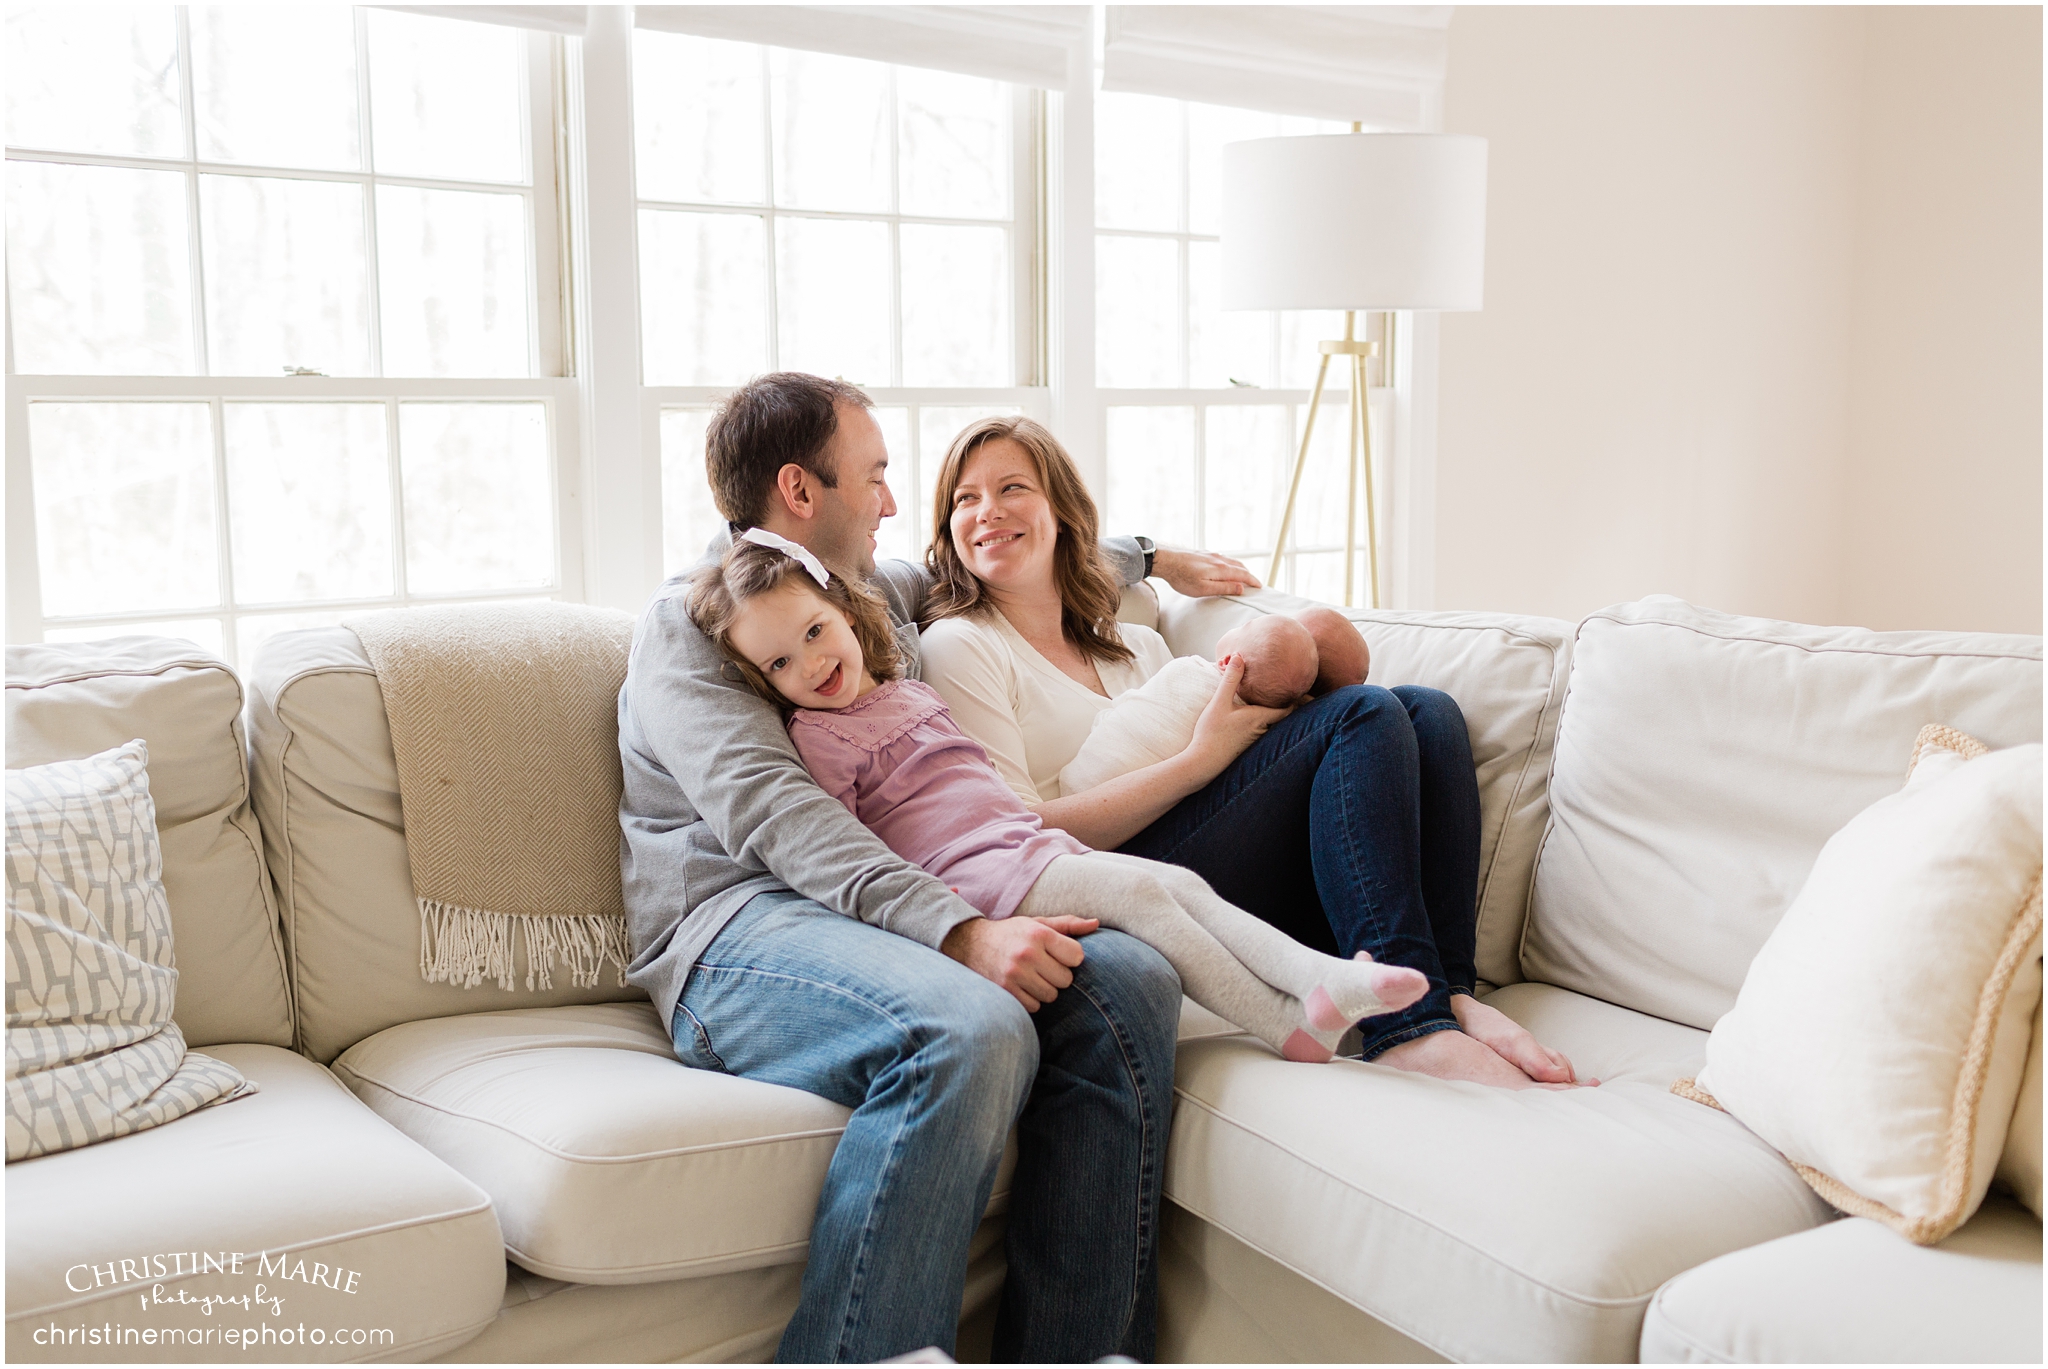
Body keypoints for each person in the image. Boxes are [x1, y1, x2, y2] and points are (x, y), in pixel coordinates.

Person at [616, 372, 1256, 1364]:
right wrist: (959, 929)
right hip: (733, 932)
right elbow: (779, 819)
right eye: (871, 476)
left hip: (861, 916)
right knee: (968, 1027)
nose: (886, 501)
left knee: (1131, 978)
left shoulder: (864, 595)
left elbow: (992, 558)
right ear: (799, 490)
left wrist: (1150, 555)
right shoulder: (689, 627)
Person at [916, 415, 1587, 1089]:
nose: (987, 512)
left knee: (1428, 712)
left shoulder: (1134, 644)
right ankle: (1407, 1029)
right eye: (964, 499)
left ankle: (1449, 990)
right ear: (947, 529)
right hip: (1113, 884)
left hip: (1207, 856)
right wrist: (1198, 762)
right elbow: (1014, 833)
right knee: (1363, 712)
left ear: (1061, 509)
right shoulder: (961, 644)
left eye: (1011, 488)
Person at [684, 532, 1430, 1062]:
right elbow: (845, 856)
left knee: (1177, 884)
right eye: (780, 661)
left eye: (816, 631)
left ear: (847, 611)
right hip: (977, 878)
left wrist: (1155, 555)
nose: (811, 663)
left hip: (1022, 843)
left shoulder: (908, 691)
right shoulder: (818, 737)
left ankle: (1314, 992)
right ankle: (1294, 1014)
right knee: (1143, 893)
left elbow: (1031, 561)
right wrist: (948, 925)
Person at [1055, 610, 1368, 797]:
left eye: (1248, 626)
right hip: (1100, 814)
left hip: (1083, 782)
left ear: (1230, 661)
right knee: (1381, 704)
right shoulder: (1273, 717)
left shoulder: (1187, 670)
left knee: (1396, 703)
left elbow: (1125, 708)